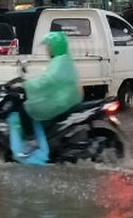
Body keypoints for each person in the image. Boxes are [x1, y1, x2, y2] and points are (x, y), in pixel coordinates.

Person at [7, 31, 81, 165]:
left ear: (55, 47)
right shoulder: (63, 59)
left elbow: (47, 81)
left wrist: (26, 85)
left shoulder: (59, 62)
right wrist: (28, 80)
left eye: (49, 46)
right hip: (64, 97)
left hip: (60, 100)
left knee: (26, 108)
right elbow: (47, 79)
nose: (47, 49)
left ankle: (32, 142)